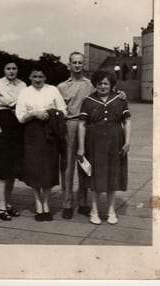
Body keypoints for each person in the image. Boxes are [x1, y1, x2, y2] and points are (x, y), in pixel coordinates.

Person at [77, 69, 131, 225]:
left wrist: (127, 142)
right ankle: (94, 211)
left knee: (112, 176)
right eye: (100, 83)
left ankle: (111, 211)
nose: (103, 86)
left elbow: (127, 121)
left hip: (115, 142)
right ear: (95, 84)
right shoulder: (88, 100)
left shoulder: (120, 99)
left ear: (111, 84)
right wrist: (81, 147)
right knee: (95, 177)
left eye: (106, 83)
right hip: (94, 142)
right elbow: (82, 124)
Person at [16, 64, 67, 222]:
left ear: (45, 78)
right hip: (32, 134)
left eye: (41, 77)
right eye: (35, 77)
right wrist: (34, 114)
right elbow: (19, 115)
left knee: (48, 170)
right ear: (30, 78)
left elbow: (64, 110)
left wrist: (50, 114)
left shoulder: (52, 90)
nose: (38, 79)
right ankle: (38, 204)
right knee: (35, 170)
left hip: (50, 134)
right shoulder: (25, 92)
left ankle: (47, 204)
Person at [0, 56, 26, 221]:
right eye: (8, 68)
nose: (11, 71)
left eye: (14, 68)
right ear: (4, 70)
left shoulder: (23, 85)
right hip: (2, 127)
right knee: (3, 170)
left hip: (17, 128)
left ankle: (8, 204)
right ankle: (1, 207)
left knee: (12, 170)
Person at [58, 52, 93, 219]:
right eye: (74, 62)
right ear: (69, 65)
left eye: (80, 62)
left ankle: (84, 202)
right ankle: (67, 203)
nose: (77, 65)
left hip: (87, 126)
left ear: (83, 65)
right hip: (70, 125)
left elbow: (104, 96)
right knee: (67, 166)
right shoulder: (62, 87)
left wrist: (121, 94)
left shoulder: (90, 85)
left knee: (84, 164)